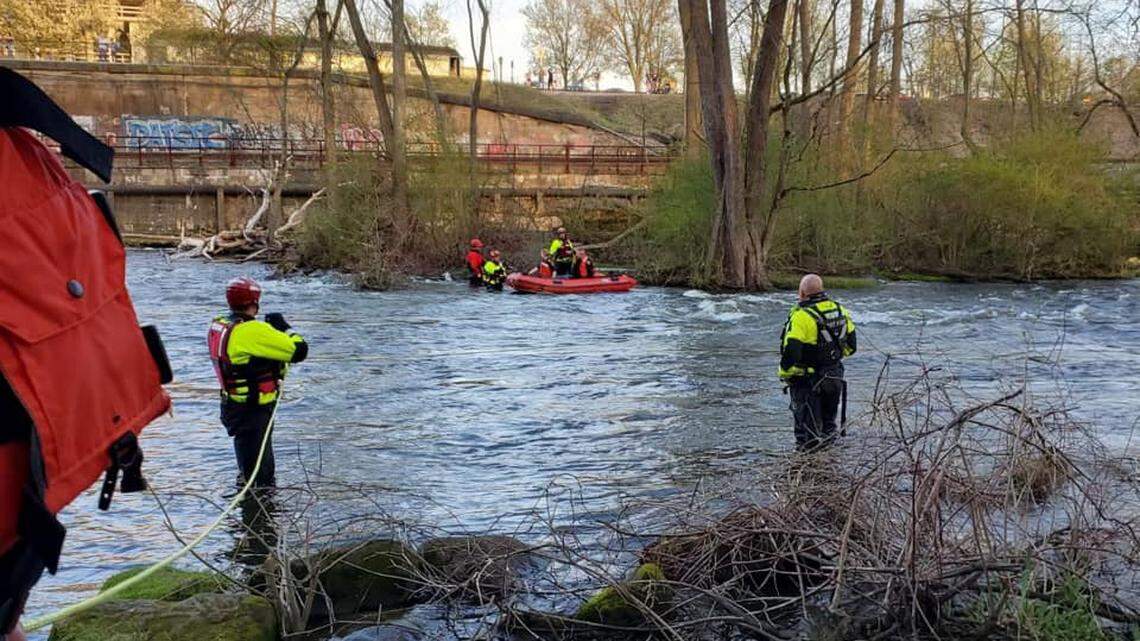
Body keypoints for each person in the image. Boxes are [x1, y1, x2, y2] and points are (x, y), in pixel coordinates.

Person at [208, 277, 308, 487]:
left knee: (247, 466)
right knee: (261, 476)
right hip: (253, 410)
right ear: (255, 302)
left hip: (233, 406)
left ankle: (248, 495)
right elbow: (300, 350)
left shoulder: (220, 324)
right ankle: (259, 504)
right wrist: (284, 328)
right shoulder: (252, 331)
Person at [779, 274, 857, 451]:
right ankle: (830, 463)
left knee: (807, 434)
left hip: (807, 382)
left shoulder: (801, 316)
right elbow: (852, 347)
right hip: (834, 377)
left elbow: (792, 353)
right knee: (829, 427)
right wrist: (831, 359)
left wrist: (784, 373)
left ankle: (807, 466)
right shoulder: (840, 310)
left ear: (802, 293)